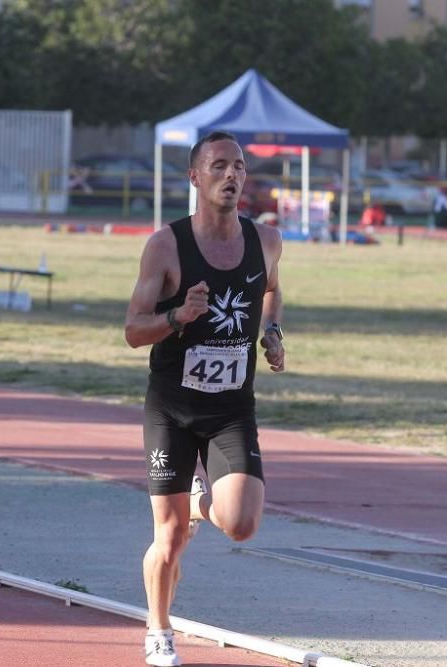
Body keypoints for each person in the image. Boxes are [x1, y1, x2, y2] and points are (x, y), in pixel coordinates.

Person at [124, 131, 285, 667]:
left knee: (241, 523)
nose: (231, 175)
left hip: (231, 408)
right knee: (167, 537)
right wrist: (177, 317)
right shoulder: (166, 246)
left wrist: (272, 332)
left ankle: (197, 500)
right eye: (219, 166)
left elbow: (271, 290)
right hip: (172, 406)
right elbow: (132, 329)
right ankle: (158, 629)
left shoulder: (266, 240)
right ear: (195, 177)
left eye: (239, 166)